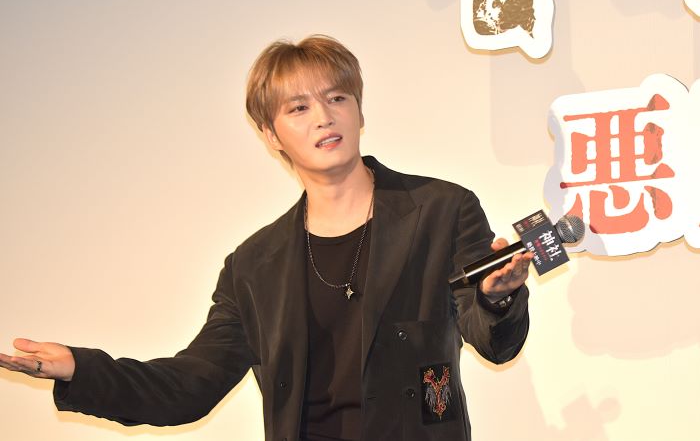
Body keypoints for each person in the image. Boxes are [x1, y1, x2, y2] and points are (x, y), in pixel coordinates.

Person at [0, 35, 532, 441]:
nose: (324, 117)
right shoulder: (254, 266)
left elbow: (494, 341)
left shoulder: (441, 210)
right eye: (298, 108)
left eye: (337, 97)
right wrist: (80, 367)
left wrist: (497, 298)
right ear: (271, 134)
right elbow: (190, 385)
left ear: (359, 110)